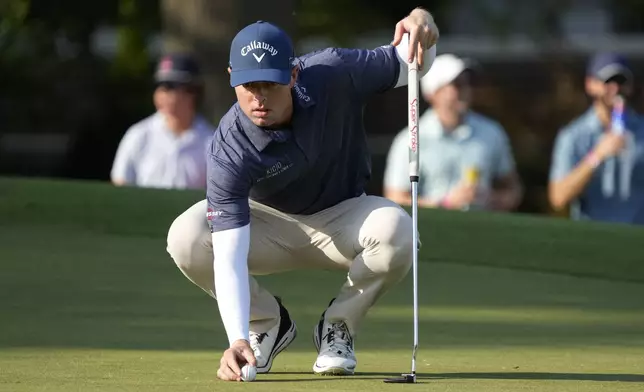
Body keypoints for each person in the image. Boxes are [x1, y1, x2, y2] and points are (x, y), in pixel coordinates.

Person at [165, 8, 439, 382]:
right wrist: (236, 338)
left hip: (343, 217)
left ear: (293, 74)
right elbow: (228, 257)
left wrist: (424, 23)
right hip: (266, 226)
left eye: (270, 84)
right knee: (185, 237)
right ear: (231, 79)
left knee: (398, 230)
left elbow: (414, 62)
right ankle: (265, 324)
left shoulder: (334, 71)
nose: (259, 98)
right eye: (249, 86)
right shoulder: (228, 147)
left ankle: (338, 326)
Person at [383, 53, 522, 211]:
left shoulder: (492, 132)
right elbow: (395, 199)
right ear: (433, 93)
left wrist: (491, 199)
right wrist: (446, 203)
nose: (465, 89)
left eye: (466, 83)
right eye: (456, 84)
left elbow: (513, 189)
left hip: (484, 232)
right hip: (431, 233)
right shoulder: (409, 139)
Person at [549, 52, 644, 225]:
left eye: (621, 82)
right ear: (590, 85)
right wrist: (597, 156)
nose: (615, 88)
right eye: (607, 81)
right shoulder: (573, 135)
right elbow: (558, 197)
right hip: (593, 241)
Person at [110, 53, 215, 189]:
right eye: (159, 86)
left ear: (192, 92)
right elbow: (121, 185)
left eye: (169, 87)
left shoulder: (212, 141)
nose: (161, 93)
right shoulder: (138, 134)